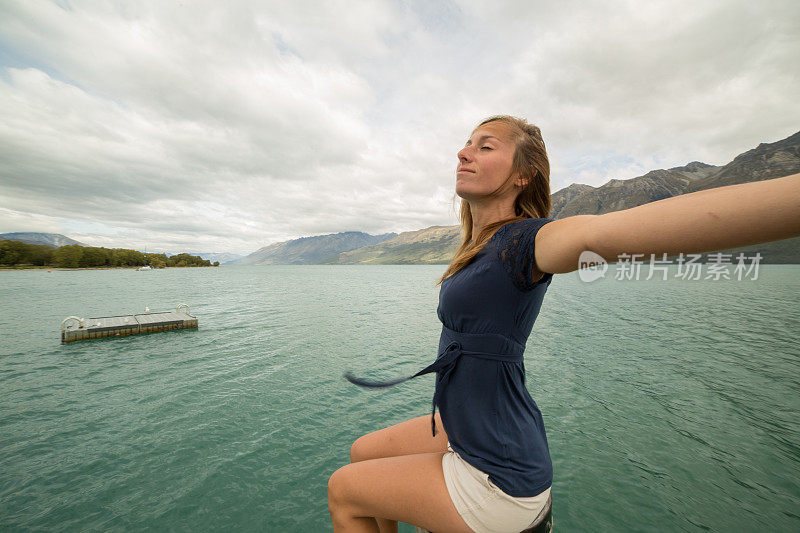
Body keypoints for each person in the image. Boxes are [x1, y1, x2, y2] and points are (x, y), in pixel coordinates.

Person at [327, 115, 800, 533]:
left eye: (485, 145)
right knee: (363, 452)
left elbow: (603, 233)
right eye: (467, 142)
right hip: (472, 427)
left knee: (345, 491)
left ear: (522, 175)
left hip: (500, 474)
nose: (463, 151)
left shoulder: (529, 243)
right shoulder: (481, 245)